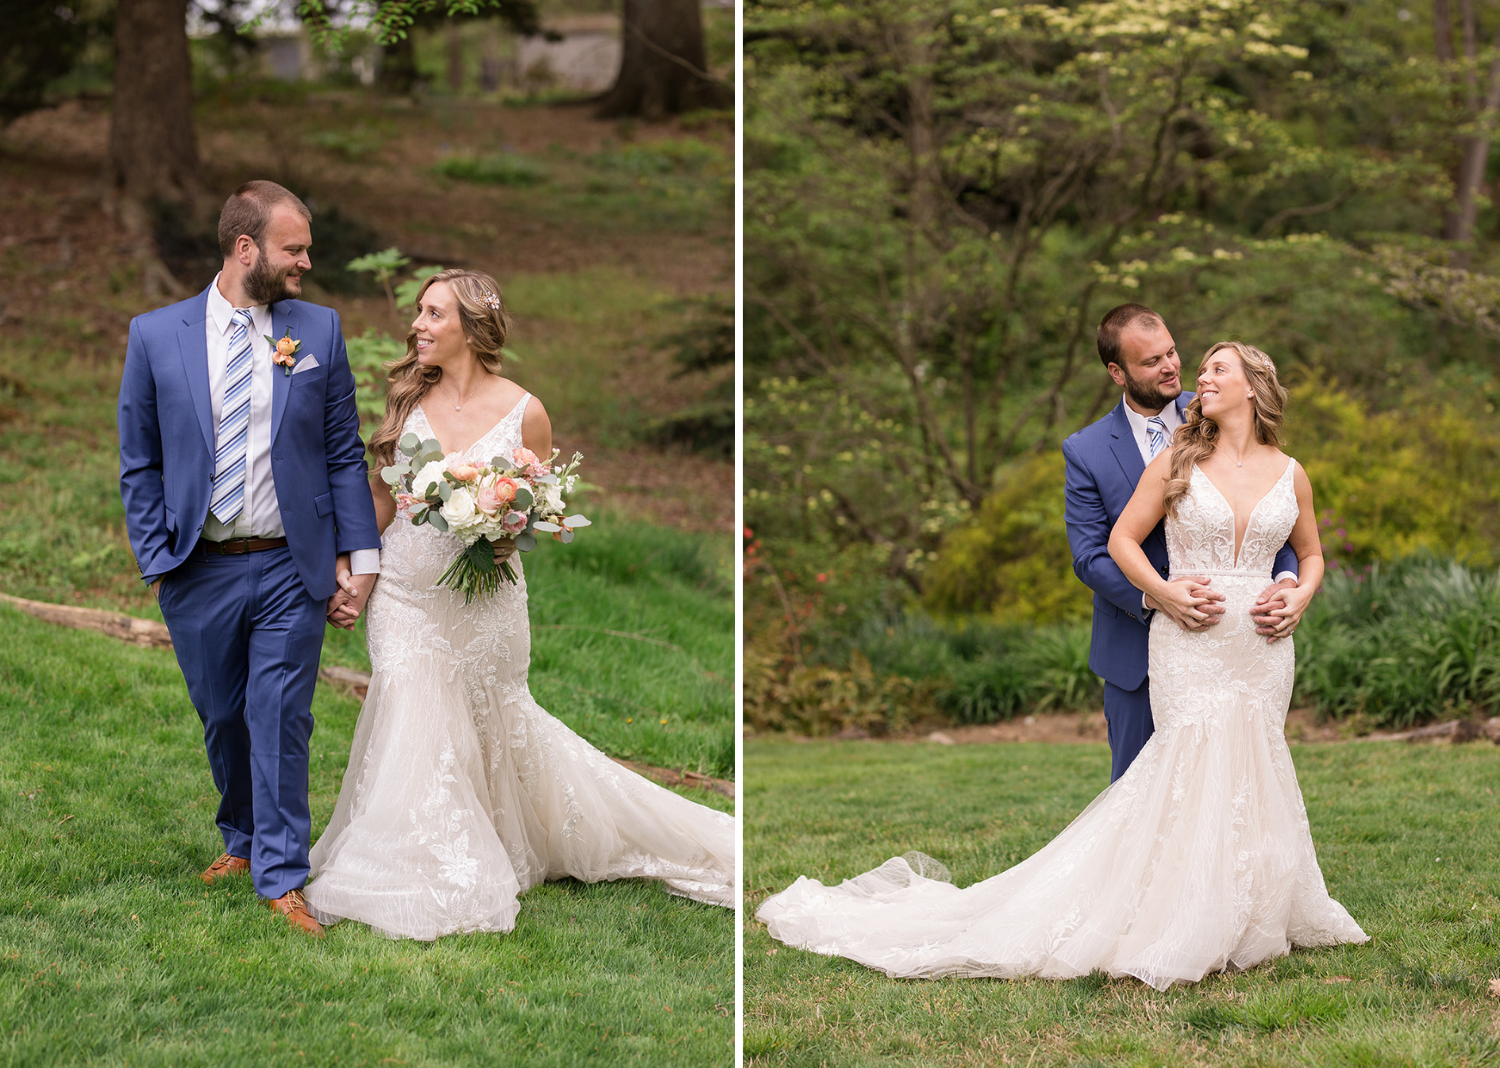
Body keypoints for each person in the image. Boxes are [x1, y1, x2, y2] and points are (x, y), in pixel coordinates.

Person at [755, 340, 1367, 990]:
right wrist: (1162, 595)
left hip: (1264, 650)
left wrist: (1298, 594)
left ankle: (1254, 915)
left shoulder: (1289, 470)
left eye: (1217, 368)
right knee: (1190, 768)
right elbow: (1120, 541)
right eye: (1205, 368)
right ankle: (1185, 918)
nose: (1201, 378)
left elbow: (1312, 553)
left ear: (1254, 386)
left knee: (1256, 768)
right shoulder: (1180, 459)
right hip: (1190, 641)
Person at [302, 269, 734, 939]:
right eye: (418, 312)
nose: (417, 324)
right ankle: (405, 864)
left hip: (486, 604)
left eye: (433, 313)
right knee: (413, 707)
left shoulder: (525, 411)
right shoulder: (406, 400)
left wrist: (505, 535)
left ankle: (523, 833)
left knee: (494, 720)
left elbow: (538, 509)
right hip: (408, 597)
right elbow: (380, 500)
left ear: (471, 328)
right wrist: (355, 573)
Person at [118, 180, 382, 937]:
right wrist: (156, 558)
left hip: (286, 567)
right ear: (246, 248)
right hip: (196, 566)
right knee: (223, 714)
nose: (306, 261)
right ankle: (240, 836)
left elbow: (340, 453)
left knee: (279, 717)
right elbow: (140, 459)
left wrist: (357, 557)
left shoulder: (318, 331)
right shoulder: (155, 335)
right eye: (293, 247)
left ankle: (281, 874)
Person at [1062, 304, 1304, 782]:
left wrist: (1288, 579)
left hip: (1236, 642)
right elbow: (1090, 556)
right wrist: (1160, 595)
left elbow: (1273, 513)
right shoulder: (1086, 450)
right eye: (1151, 362)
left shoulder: (1221, 406)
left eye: (1171, 352)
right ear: (1118, 372)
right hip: (1134, 647)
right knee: (1138, 796)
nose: (1171, 366)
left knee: (1232, 786)